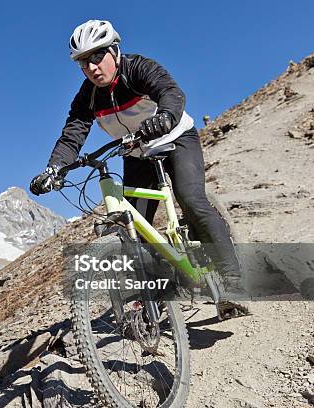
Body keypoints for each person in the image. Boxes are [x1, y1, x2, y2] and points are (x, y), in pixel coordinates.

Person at [29, 19, 248, 320]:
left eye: (97, 56)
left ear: (114, 50)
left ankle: (232, 280)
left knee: (190, 198)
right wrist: (54, 169)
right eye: (83, 62)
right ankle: (155, 297)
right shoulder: (88, 95)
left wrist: (167, 116)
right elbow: (73, 133)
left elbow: (171, 92)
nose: (92, 67)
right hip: (137, 153)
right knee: (136, 226)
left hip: (175, 139)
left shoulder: (139, 69)